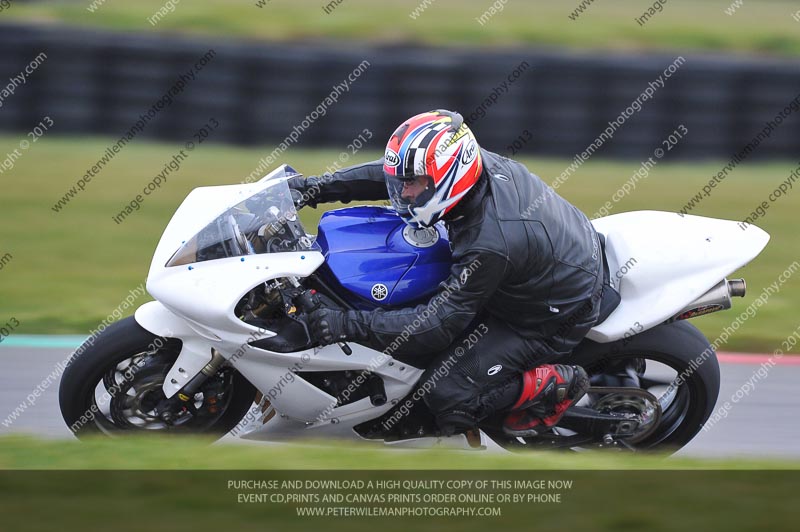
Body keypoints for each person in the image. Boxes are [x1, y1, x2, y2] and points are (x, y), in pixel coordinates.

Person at [288, 109, 606, 437]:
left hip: (549, 315)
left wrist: (345, 324)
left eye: (414, 183)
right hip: (549, 260)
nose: (404, 192)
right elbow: (390, 175)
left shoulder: (489, 241)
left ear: (450, 176)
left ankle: (557, 385)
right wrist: (313, 188)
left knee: (447, 394)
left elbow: (438, 325)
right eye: (404, 182)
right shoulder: (465, 163)